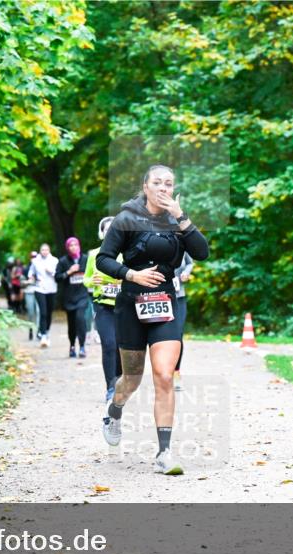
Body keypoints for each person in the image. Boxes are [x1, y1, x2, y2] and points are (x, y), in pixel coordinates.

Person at [96, 165, 209, 475]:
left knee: (163, 375)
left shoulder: (177, 220)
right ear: (145, 186)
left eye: (168, 183)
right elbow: (103, 259)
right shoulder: (126, 219)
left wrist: (182, 217)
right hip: (131, 304)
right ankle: (114, 410)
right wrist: (131, 274)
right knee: (131, 379)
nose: (163, 187)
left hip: (166, 305)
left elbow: (202, 252)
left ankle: (164, 453)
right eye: (157, 182)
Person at [84, 217, 125, 403]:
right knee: (108, 345)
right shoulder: (94, 254)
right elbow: (86, 279)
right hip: (103, 306)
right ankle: (110, 387)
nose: (110, 232)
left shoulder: (127, 253)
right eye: (107, 229)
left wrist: (124, 278)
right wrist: (93, 281)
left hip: (125, 307)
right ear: (102, 233)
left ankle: (120, 383)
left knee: (121, 347)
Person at [55, 237, 91, 358]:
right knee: (72, 324)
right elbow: (57, 278)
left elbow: (92, 273)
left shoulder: (86, 259)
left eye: (76, 244)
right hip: (69, 297)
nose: (74, 247)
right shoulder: (63, 261)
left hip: (82, 296)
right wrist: (69, 272)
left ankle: (82, 346)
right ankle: (72, 346)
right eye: (71, 245)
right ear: (67, 248)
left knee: (80, 319)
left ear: (79, 246)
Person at [30, 244, 58, 348]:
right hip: (39, 288)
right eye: (42, 250)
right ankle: (43, 336)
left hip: (51, 289)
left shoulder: (54, 261)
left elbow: (58, 274)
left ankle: (46, 331)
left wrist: (51, 272)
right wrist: (31, 277)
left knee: (49, 312)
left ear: (49, 250)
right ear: (40, 251)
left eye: (46, 249)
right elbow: (31, 272)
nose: (44, 251)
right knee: (43, 312)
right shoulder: (35, 261)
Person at [173, 251, 194, 391]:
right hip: (159, 298)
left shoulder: (181, 244)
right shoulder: (152, 240)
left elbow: (190, 263)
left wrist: (186, 273)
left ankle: (175, 373)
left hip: (178, 296)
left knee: (177, 335)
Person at [23, 251, 39, 340]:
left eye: (35, 257)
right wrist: (28, 282)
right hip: (29, 292)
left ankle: (39, 331)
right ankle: (30, 330)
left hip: (39, 292)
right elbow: (21, 282)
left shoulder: (40, 268)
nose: (34, 258)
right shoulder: (26, 269)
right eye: (32, 257)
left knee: (39, 311)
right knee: (31, 312)